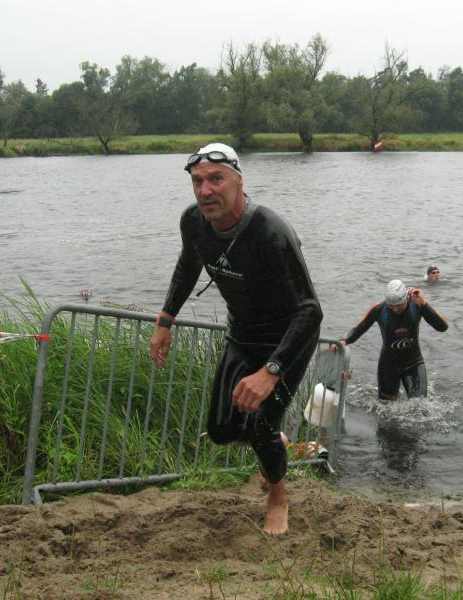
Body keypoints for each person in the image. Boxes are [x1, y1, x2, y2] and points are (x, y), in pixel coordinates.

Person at [150, 142, 323, 534]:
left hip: (288, 339)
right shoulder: (193, 222)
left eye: (216, 179)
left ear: (239, 182)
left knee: (259, 426)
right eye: (198, 182)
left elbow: (310, 310)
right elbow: (188, 265)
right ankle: (276, 441)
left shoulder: (270, 231)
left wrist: (270, 372)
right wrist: (165, 320)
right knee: (221, 431)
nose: (206, 191)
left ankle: (278, 497)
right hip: (243, 333)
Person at [335, 279, 448, 400]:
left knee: (419, 404)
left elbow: (442, 327)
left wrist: (424, 304)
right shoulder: (379, 309)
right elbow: (359, 328)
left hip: (414, 363)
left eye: (399, 305)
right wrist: (342, 341)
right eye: (391, 306)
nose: (395, 309)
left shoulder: (416, 305)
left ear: (405, 299)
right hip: (388, 366)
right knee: (385, 405)